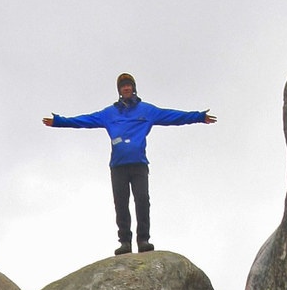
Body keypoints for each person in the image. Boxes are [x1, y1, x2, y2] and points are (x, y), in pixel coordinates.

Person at [43, 73, 216, 255]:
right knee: (121, 203)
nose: (126, 88)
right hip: (118, 166)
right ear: (119, 91)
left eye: (128, 85)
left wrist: (199, 117)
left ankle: (143, 239)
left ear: (133, 88)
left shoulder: (147, 111)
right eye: (123, 86)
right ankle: (125, 241)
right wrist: (58, 122)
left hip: (139, 164)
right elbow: (84, 121)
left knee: (142, 200)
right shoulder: (108, 114)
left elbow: (173, 116)